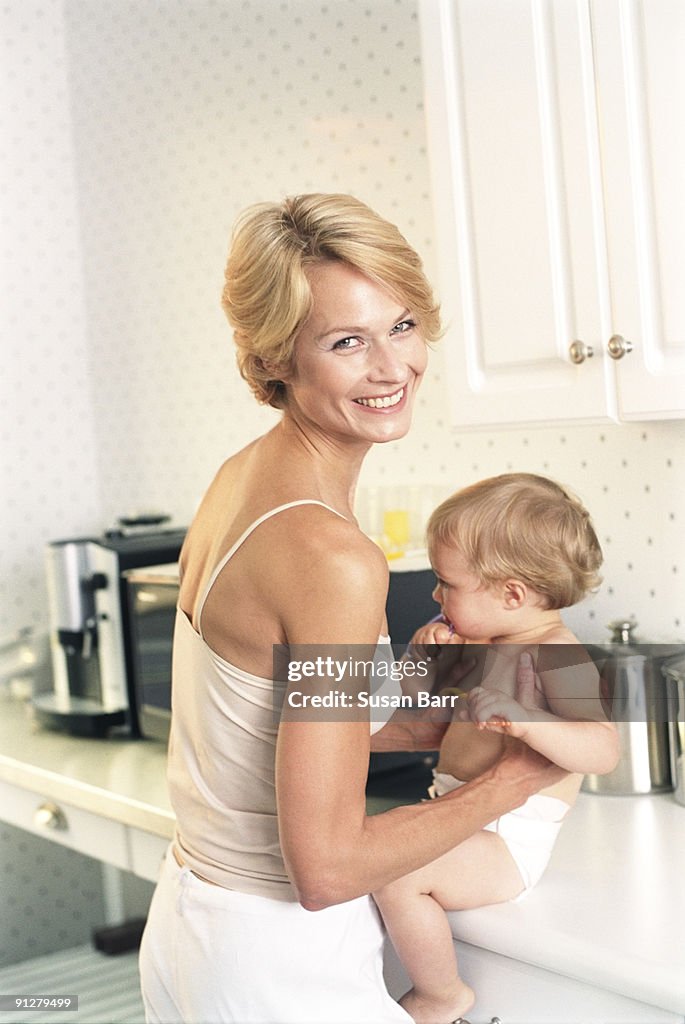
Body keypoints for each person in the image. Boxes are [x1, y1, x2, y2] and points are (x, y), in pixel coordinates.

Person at [138, 195, 567, 1024]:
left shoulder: (245, 479)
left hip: (198, 926)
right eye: (345, 342)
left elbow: (279, 719)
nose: (391, 367)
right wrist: (512, 782)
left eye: (401, 325)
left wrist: (443, 722)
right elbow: (328, 867)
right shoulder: (331, 555)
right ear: (275, 359)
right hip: (277, 958)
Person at [374, 473, 621, 1024]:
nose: (436, 595)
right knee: (374, 847)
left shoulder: (560, 656)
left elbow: (603, 750)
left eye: (446, 583)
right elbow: (412, 707)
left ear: (512, 594)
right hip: (455, 813)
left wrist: (531, 722)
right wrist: (420, 657)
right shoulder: (481, 644)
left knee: (394, 872)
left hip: (507, 845)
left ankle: (442, 995)